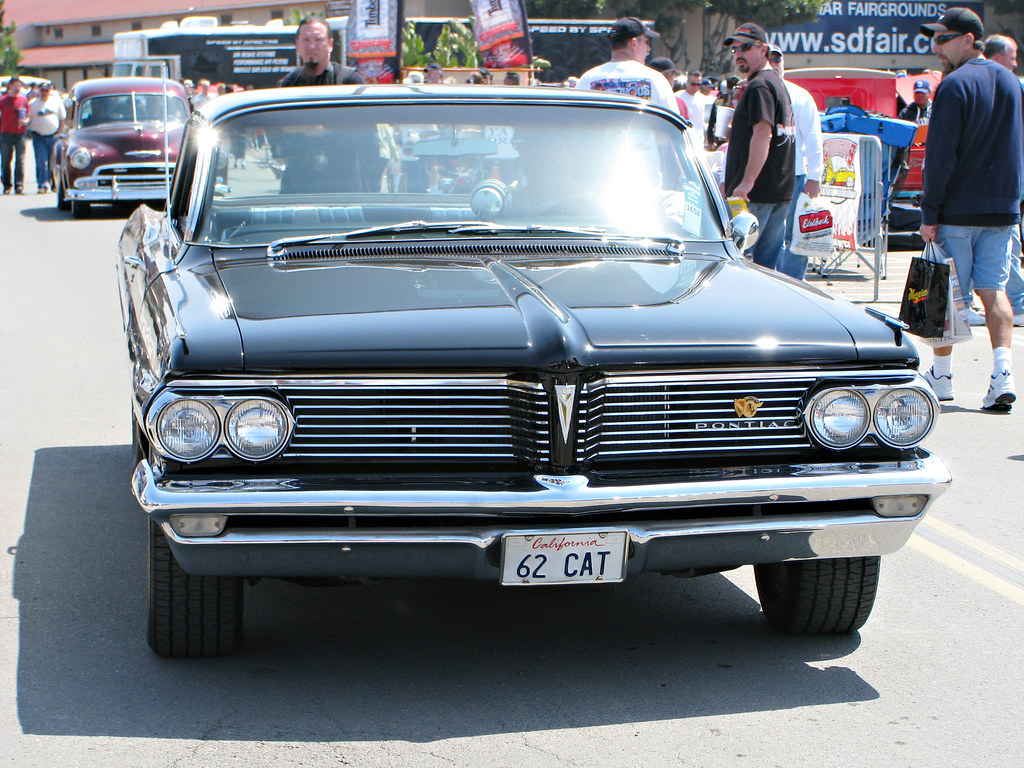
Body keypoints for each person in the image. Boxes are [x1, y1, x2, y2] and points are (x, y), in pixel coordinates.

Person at [918, 8, 1021, 412]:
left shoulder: (954, 84)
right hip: (1001, 209)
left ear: (968, 40)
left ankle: (942, 376)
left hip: (957, 210)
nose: (936, 47)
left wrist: (929, 213)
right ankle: (1003, 374)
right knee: (994, 292)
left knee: (943, 295)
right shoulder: (1010, 81)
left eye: (943, 39)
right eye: (934, 40)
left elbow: (940, 155)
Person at [721, 22, 796, 271]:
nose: (738, 54)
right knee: (767, 268)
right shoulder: (776, 82)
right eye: (735, 49)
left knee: (739, 264)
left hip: (755, 193)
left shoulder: (759, 86)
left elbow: (763, 133)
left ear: (763, 49)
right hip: (777, 191)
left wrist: (746, 182)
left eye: (745, 47)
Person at [768, 45, 824, 280]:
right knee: (766, 237)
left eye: (777, 60)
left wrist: (815, 177)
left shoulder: (800, 96)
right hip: (762, 177)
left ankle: (793, 284)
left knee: (796, 237)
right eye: (769, 60)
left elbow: (813, 138)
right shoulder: (755, 92)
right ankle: (767, 283)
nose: (774, 64)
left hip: (796, 176)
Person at [982, 34, 1024, 327]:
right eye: (1013, 55)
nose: (1016, 62)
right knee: (1006, 241)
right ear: (998, 57)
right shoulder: (1007, 88)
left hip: (1003, 180)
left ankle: (1016, 301)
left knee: (1008, 241)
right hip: (1000, 182)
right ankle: (1017, 302)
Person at [576, 18, 680, 114]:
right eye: (647, 42)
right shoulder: (655, 79)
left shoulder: (587, 79)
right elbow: (673, 122)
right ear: (634, 43)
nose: (649, 48)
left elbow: (576, 119)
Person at [279, 16, 365, 87]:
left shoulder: (350, 81)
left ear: (330, 44)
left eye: (318, 39)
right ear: (297, 45)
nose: (311, 46)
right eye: (306, 40)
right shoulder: (290, 83)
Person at [27, 82, 65, 194]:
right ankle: (42, 184)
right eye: (42, 90)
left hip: (53, 136)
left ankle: (54, 183)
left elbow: (62, 119)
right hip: (39, 136)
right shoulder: (33, 104)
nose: (44, 92)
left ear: (50, 91)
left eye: (46, 90)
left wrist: (59, 132)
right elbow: (28, 118)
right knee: (41, 162)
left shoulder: (56, 102)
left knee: (53, 163)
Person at [0, 76, 30, 194]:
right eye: (15, 85)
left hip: (20, 133)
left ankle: (19, 185)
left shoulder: (23, 100)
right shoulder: (3, 100)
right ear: (10, 86)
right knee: (6, 160)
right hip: (6, 133)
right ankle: (7, 185)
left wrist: (26, 121)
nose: (17, 87)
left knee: (20, 159)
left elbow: (28, 115)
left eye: (19, 85)